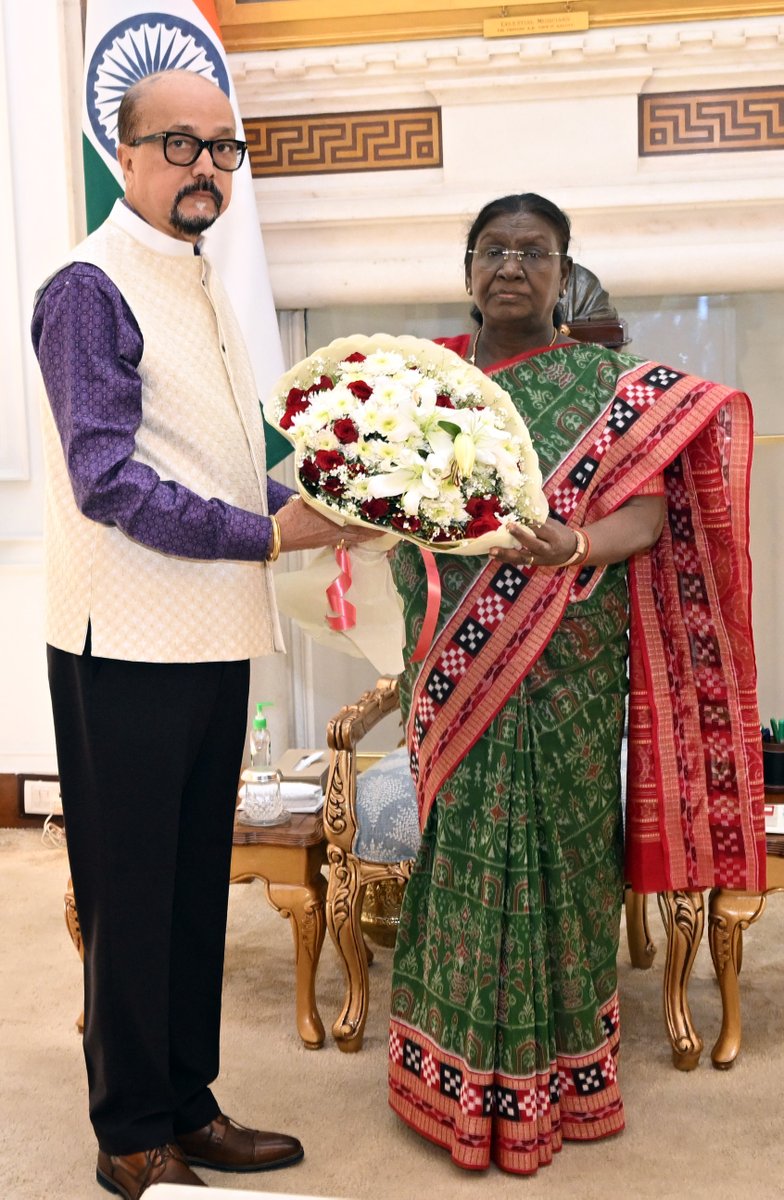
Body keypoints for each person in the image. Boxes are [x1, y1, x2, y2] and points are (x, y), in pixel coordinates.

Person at [32, 69, 374, 1200]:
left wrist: (339, 502)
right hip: (121, 641)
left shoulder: (201, 281)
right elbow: (109, 481)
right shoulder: (90, 287)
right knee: (130, 893)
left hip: (210, 635)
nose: (207, 170)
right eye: (180, 147)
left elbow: (218, 458)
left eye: (225, 151)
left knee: (186, 887)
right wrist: (271, 532)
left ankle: (188, 1105)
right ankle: (130, 1132)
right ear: (122, 154)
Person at [387, 192, 766, 1174]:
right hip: (453, 664)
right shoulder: (425, 382)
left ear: (563, 273)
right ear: (466, 265)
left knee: (563, 858)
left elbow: (642, 519)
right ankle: (452, 1076)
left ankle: (557, 1078)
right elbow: (379, 500)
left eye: (535, 252)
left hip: (567, 668)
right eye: (494, 250)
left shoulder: (607, 386)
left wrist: (574, 546)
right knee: (462, 854)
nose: (511, 267)